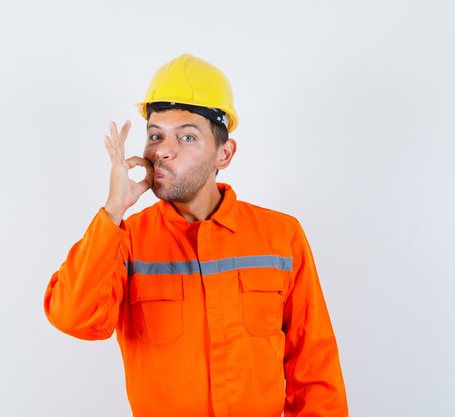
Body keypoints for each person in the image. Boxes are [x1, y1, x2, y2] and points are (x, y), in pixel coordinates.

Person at [44, 53, 348, 417]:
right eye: (156, 135)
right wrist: (113, 210)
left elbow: (313, 368)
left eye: (187, 136)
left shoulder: (280, 237)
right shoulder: (124, 239)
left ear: (224, 153)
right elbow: (75, 320)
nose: (164, 151)